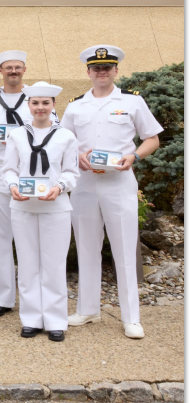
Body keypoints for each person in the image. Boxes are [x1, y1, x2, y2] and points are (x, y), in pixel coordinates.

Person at [61, 45, 163, 339]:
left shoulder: (132, 102)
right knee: (87, 248)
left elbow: (151, 138)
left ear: (116, 70)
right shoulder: (76, 105)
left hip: (119, 182)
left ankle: (131, 317)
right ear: (88, 72)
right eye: (96, 68)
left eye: (107, 67)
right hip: (85, 183)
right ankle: (88, 310)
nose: (101, 72)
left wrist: (135, 157)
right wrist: (75, 157)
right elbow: (64, 143)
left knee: (124, 249)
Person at [0, 50, 57, 318]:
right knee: (0, 238)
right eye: (8, 67)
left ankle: (39, 298)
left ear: (24, 70)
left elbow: (52, 138)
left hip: (32, 177)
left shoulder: (36, 99)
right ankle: (2, 298)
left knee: (33, 240)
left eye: (17, 67)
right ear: (1, 71)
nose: (13, 71)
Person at [2, 81, 80, 342]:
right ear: (29, 105)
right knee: (27, 264)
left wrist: (59, 187)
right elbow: (9, 169)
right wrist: (13, 186)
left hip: (55, 208)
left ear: (53, 106)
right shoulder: (16, 135)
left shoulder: (66, 136)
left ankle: (56, 320)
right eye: (35, 103)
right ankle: (31, 319)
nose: (40, 108)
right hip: (23, 206)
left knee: (54, 265)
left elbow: (71, 172)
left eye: (45, 103)